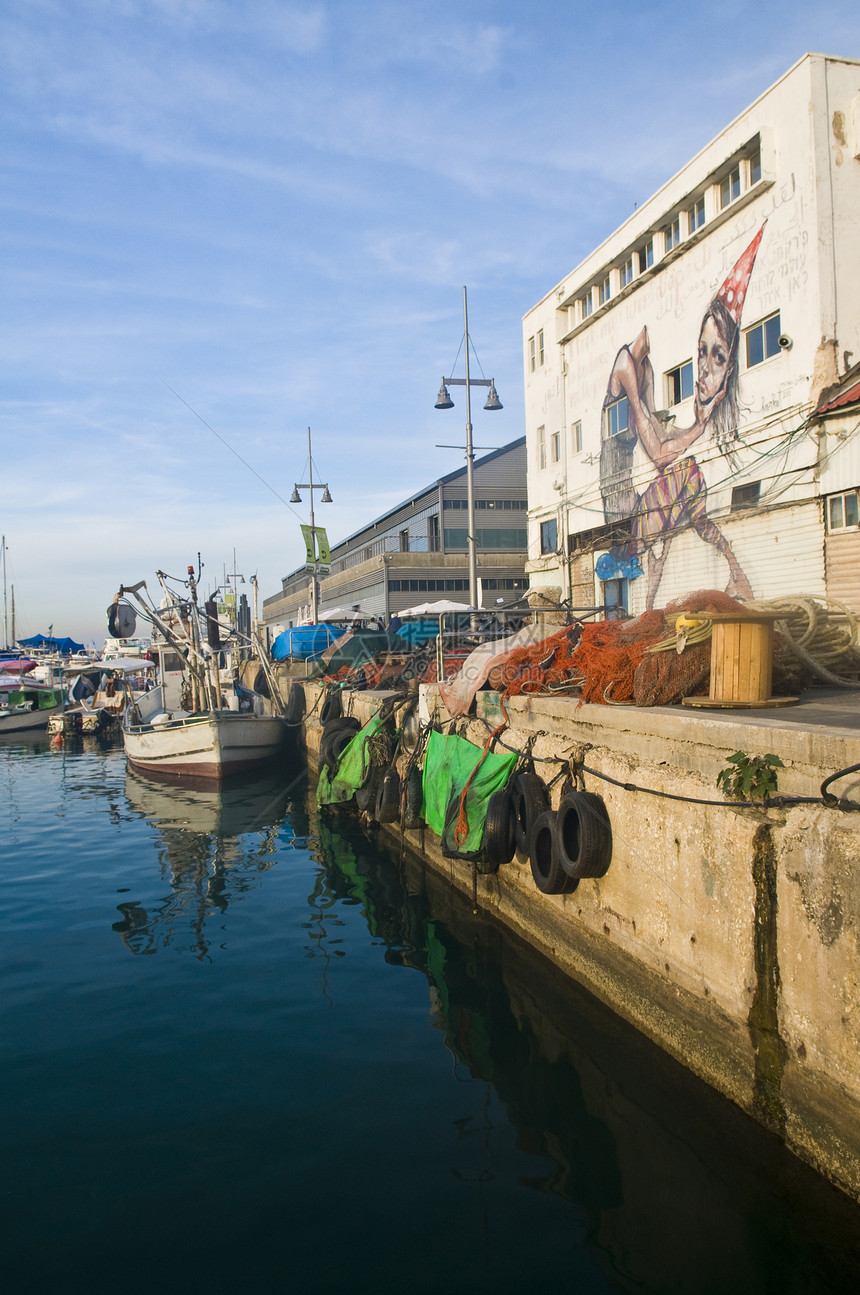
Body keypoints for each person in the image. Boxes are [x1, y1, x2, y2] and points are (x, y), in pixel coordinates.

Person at [599, 226, 763, 609]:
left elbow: (656, 432)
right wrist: (701, 425)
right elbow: (658, 452)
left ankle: (711, 580)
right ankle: (670, 594)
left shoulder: (647, 368)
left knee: (686, 481)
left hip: (636, 501)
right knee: (682, 476)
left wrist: (690, 426)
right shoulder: (626, 365)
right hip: (621, 505)